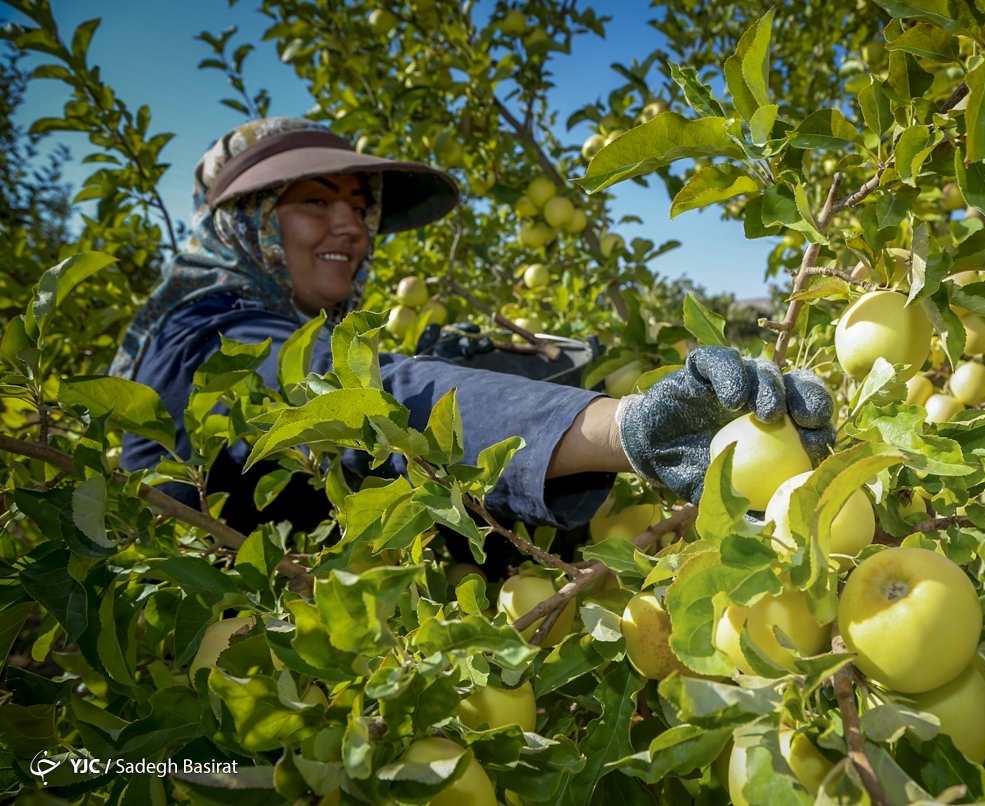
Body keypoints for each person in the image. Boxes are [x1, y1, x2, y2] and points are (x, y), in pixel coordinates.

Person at [110, 118, 835, 550]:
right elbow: (360, 397)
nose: (351, 227)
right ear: (248, 219)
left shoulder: (295, 331)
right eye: (314, 201)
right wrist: (625, 428)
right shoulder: (199, 341)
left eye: (362, 207)